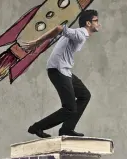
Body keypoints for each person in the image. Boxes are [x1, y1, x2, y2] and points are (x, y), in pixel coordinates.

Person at [22, 9, 101, 138]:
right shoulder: (80, 33)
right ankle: (37, 127)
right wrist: (37, 42)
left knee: (84, 95)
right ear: (88, 23)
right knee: (69, 108)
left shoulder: (80, 34)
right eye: (96, 21)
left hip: (64, 70)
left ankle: (67, 129)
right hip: (58, 69)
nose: (99, 24)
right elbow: (59, 28)